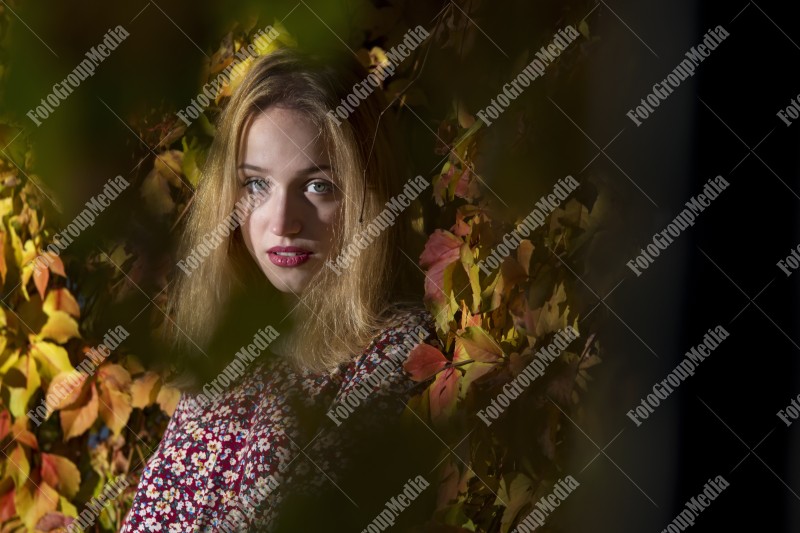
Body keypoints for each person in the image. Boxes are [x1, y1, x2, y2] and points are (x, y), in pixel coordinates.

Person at [120, 46, 441, 532]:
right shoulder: (226, 363)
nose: (284, 222)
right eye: (256, 185)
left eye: (318, 186)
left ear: (365, 192)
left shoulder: (398, 353)